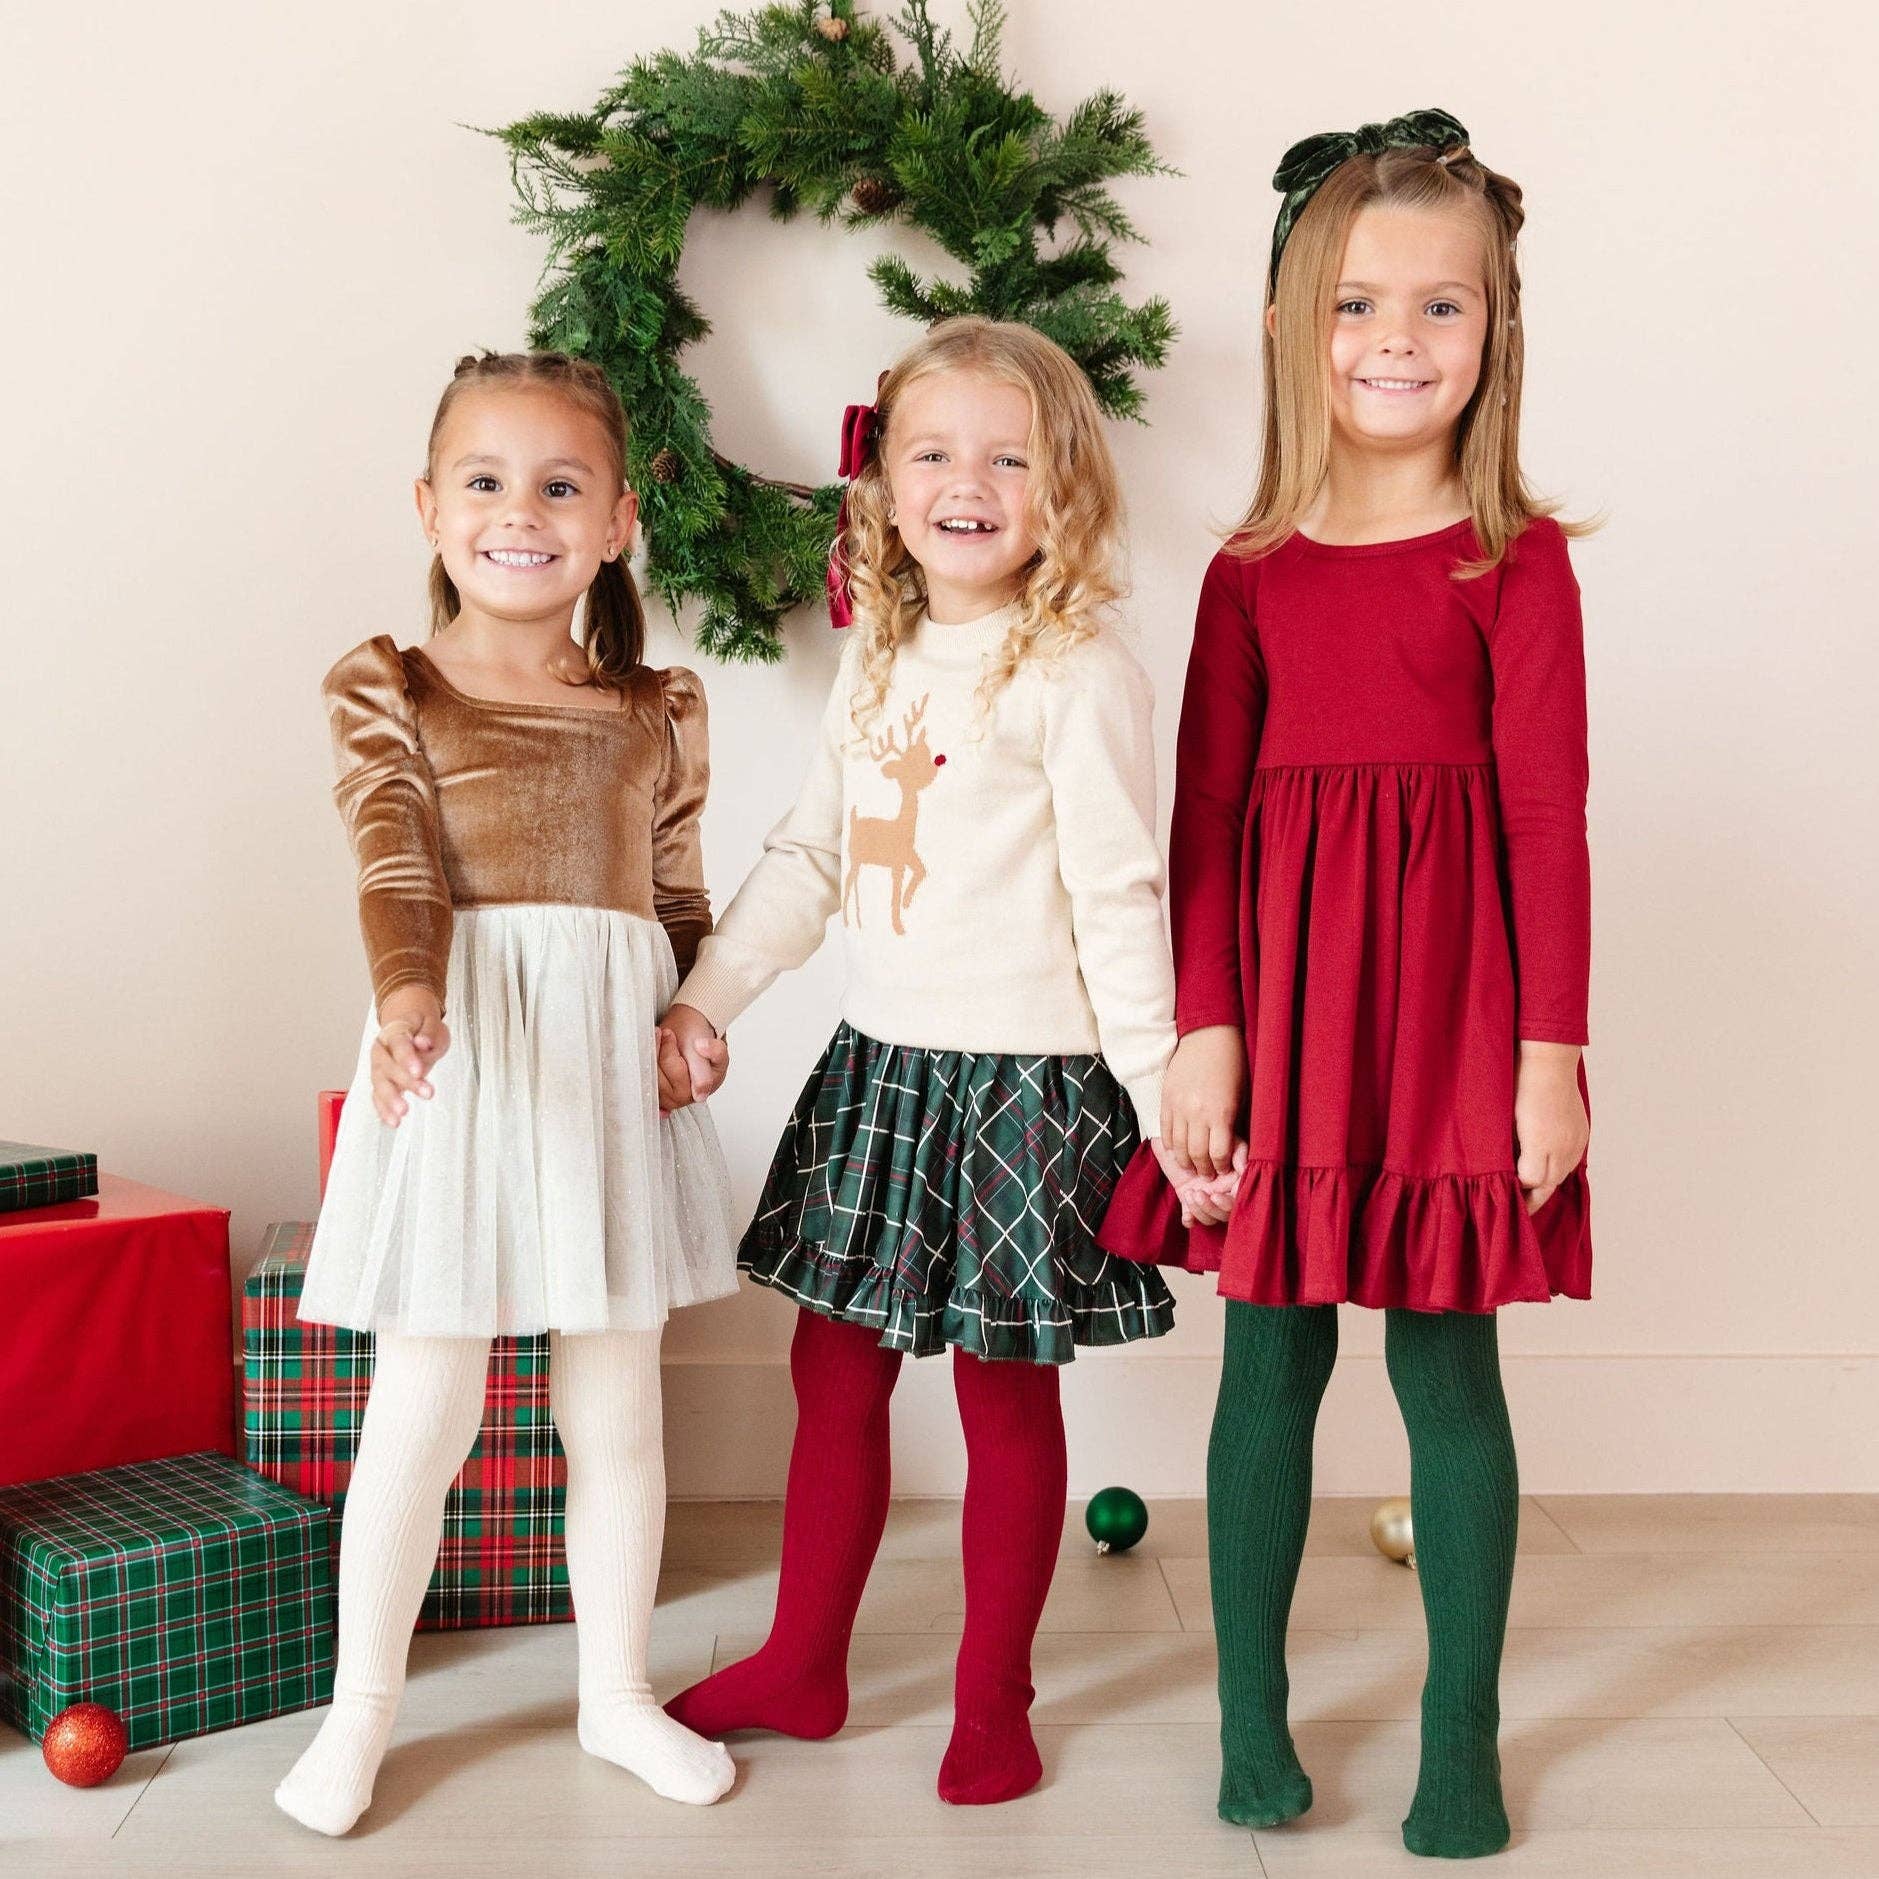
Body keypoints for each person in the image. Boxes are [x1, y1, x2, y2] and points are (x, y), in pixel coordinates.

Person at [1100, 111, 1593, 1859]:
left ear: (1496, 332)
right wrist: (1206, 1031)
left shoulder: (1517, 562)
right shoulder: (1249, 577)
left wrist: (1553, 1056)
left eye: (1442, 309)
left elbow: (1547, 817)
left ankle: (1462, 1735)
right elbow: (1209, 818)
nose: (1399, 341)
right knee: (1269, 1369)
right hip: (1288, 1022)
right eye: (1359, 305)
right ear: (1293, 327)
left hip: (1455, 1022)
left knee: (1450, 1373)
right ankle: (1253, 1719)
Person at [658, 316, 1183, 1805]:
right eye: (933, 452)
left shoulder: (1076, 670)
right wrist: (709, 1001)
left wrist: (1163, 1106)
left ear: (1062, 490)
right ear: (881, 487)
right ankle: (804, 1662)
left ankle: (990, 1697)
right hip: (885, 1072)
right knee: (835, 1365)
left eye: (1008, 457)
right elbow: (811, 853)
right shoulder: (881, 652)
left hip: (1028, 1087)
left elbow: (1121, 895)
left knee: (1007, 1394)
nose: (969, 482)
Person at [276, 350, 739, 1835]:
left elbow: (674, 898)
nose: (517, 512)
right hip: (462, 1048)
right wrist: (409, 992)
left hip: (603, 1068)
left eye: (558, 485)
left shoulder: (657, 704)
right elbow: (395, 851)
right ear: (429, 506)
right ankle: (361, 1716)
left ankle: (616, 1693)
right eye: (483, 481)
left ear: (615, 520)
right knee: (428, 1396)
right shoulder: (391, 683)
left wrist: (688, 1013)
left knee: (615, 1403)